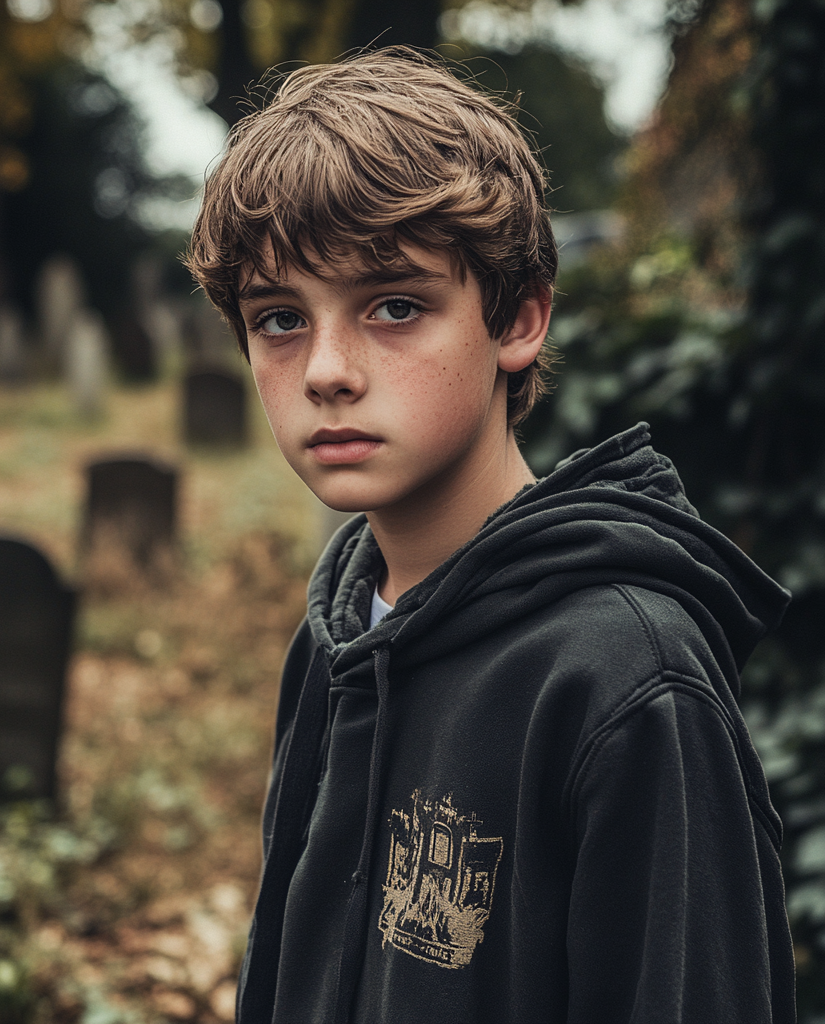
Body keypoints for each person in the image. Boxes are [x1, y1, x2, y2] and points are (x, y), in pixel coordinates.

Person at [186, 46, 796, 1024]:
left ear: (518, 319)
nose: (327, 370)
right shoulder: (339, 631)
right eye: (279, 318)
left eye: (393, 306)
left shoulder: (628, 681)